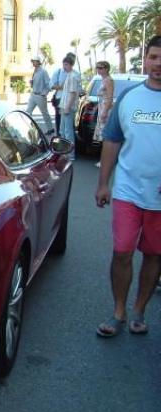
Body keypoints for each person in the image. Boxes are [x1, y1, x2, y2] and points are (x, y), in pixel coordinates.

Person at [95, 35, 161, 337]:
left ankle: (139, 310)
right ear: (145, 60)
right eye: (154, 57)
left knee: (154, 255)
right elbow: (112, 141)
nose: (158, 64)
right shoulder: (130, 98)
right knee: (122, 251)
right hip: (128, 190)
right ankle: (118, 311)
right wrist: (103, 184)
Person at [58, 55, 83, 159]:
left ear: (71, 65)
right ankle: (64, 152)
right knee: (62, 130)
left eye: (66, 64)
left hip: (69, 107)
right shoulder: (69, 75)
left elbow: (72, 94)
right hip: (64, 106)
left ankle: (70, 154)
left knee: (68, 131)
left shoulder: (73, 76)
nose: (64, 66)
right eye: (64, 64)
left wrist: (67, 107)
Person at [92, 61, 114, 167]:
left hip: (105, 109)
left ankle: (105, 160)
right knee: (102, 137)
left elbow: (109, 97)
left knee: (105, 136)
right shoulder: (103, 80)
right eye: (97, 67)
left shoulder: (109, 81)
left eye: (100, 68)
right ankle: (103, 160)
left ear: (106, 69)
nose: (98, 69)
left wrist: (105, 112)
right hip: (101, 108)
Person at [50, 52, 78, 135]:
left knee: (69, 126)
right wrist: (61, 87)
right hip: (60, 99)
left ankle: (68, 144)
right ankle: (60, 139)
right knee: (60, 123)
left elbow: (75, 90)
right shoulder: (58, 72)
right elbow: (51, 85)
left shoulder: (75, 74)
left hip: (70, 101)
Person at [25, 56, 54, 134]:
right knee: (28, 112)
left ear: (38, 62)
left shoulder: (43, 71)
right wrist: (31, 83)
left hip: (40, 96)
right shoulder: (35, 71)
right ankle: (28, 128)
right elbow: (35, 84)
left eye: (34, 61)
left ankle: (50, 128)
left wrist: (44, 93)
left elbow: (49, 84)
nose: (33, 63)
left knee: (44, 113)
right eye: (33, 61)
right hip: (33, 94)